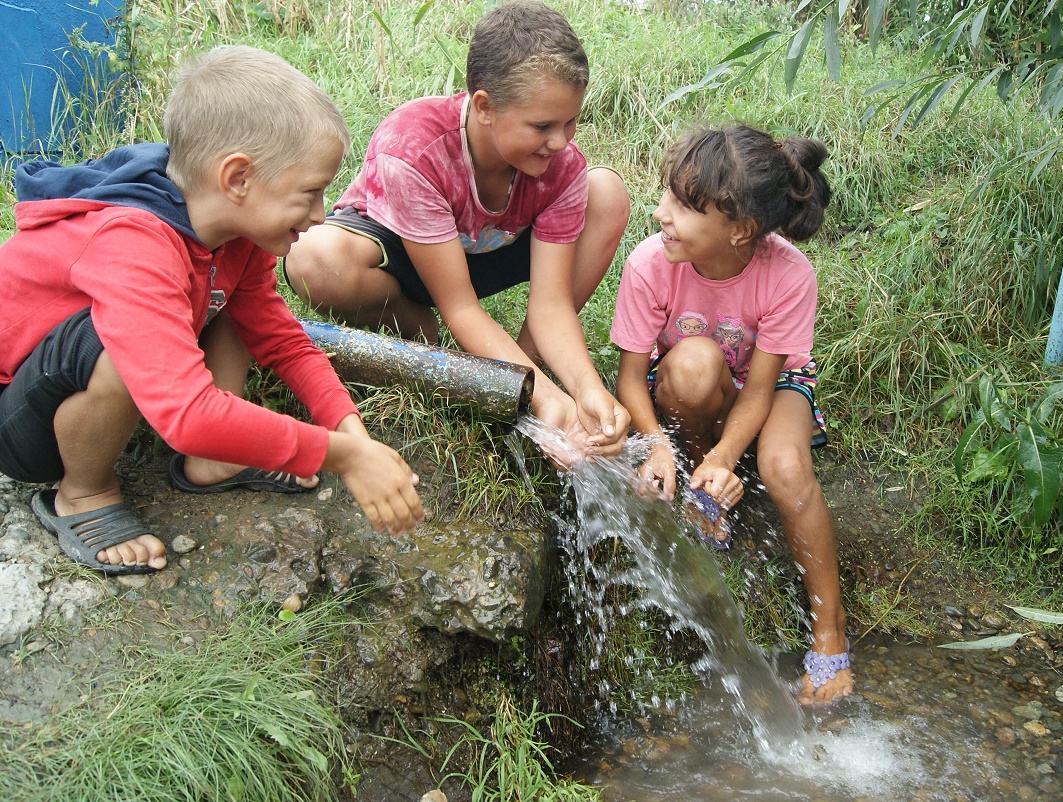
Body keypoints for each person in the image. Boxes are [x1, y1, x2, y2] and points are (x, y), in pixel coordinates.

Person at [0, 45, 424, 576]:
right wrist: (338, 455)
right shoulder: (133, 243)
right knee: (116, 340)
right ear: (238, 178)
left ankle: (214, 458)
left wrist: (354, 434)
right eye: (311, 192)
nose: (322, 214)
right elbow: (186, 415)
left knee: (232, 308)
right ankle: (83, 493)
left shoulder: (235, 233)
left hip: (90, 391)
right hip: (17, 420)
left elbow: (283, 341)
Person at [284, 0, 630, 465]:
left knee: (606, 192)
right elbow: (460, 305)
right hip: (404, 256)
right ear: (484, 106)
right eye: (543, 125)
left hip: (490, 250)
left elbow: (551, 304)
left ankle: (526, 372)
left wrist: (584, 386)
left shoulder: (560, 167)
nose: (562, 141)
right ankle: (426, 337)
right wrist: (544, 397)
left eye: (571, 122)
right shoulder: (414, 148)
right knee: (313, 259)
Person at [608, 124, 853, 705]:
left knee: (787, 469)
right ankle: (703, 488)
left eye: (686, 205)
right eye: (668, 193)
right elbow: (628, 378)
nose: (662, 212)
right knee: (693, 364)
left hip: (768, 389)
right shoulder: (651, 263)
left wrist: (728, 455)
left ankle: (829, 635)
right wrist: (660, 447)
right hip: (693, 386)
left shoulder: (789, 274)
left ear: (740, 231)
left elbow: (763, 389)